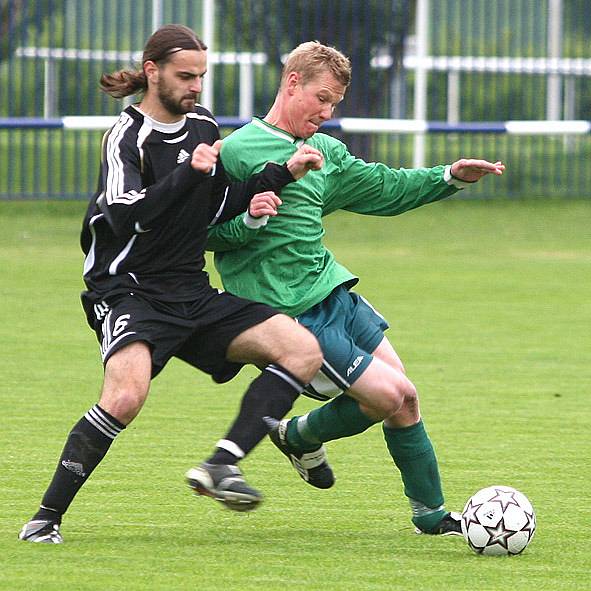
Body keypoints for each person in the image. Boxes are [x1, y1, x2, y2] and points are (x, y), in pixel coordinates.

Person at [18, 25, 325, 544]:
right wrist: (188, 173)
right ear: (152, 72)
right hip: (130, 290)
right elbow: (124, 216)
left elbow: (218, 201)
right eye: (186, 76)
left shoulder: (202, 125)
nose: (196, 87)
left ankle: (222, 466)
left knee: (301, 351)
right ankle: (45, 519)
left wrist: (279, 176)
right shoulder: (125, 138)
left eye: (202, 76)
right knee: (125, 398)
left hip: (190, 289)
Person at [206, 41, 505, 536]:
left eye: (335, 105)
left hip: (335, 293)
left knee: (403, 400)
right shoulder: (237, 152)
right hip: (290, 316)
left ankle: (426, 513)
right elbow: (207, 232)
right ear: (292, 82)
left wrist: (449, 177)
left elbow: (385, 188)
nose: (326, 113)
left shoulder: (325, 152)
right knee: (392, 395)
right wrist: (251, 220)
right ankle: (299, 436)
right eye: (321, 99)